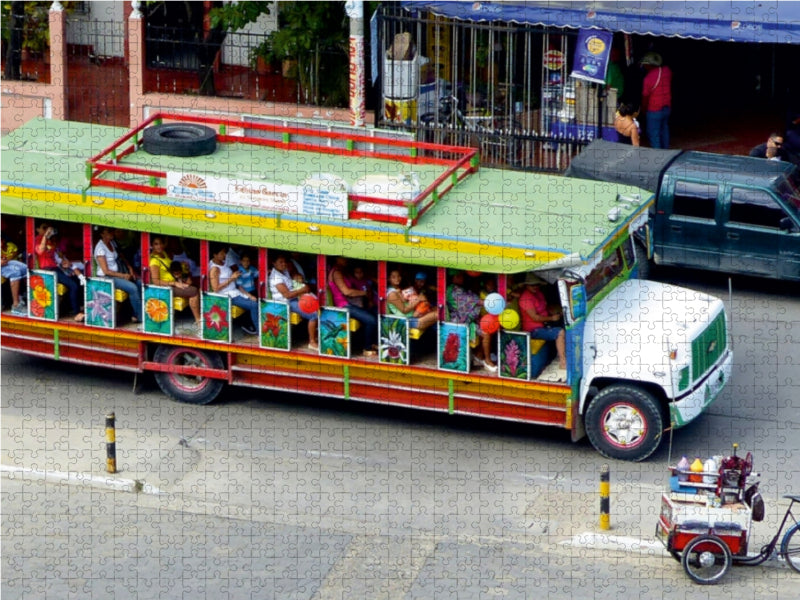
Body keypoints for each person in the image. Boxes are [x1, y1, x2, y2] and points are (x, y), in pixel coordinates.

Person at [517, 273, 567, 382]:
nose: (535, 287)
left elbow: (545, 308)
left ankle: (560, 354)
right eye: (532, 285)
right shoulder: (525, 299)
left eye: (537, 285)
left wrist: (557, 312)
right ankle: (563, 362)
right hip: (534, 330)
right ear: (527, 285)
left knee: (565, 323)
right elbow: (535, 317)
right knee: (560, 332)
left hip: (545, 323)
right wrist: (551, 318)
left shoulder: (538, 293)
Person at [445, 270, 496, 371]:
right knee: (486, 333)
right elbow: (472, 300)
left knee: (488, 328)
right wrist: (490, 302)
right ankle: (487, 360)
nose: (462, 278)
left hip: (464, 320)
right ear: (453, 278)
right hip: (460, 323)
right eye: (459, 276)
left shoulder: (454, 288)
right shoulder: (455, 290)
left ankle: (479, 355)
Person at [148, 235, 202, 326]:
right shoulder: (154, 261)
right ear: (152, 246)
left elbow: (170, 268)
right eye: (156, 244)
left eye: (161, 243)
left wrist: (182, 269)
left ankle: (199, 314)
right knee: (194, 291)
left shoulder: (163, 254)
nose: (159, 246)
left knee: (197, 285)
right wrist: (175, 283)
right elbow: (156, 282)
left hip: (176, 281)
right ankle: (198, 320)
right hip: (166, 287)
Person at [328, 256, 378, 356]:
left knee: (376, 311)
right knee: (371, 320)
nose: (346, 259)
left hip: (351, 303)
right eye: (342, 257)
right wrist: (364, 293)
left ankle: (373, 343)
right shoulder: (336, 273)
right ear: (336, 258)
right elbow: (346, 292)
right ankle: (366, 348)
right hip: (343, 306)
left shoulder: (343, 271)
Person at [34, 222, 84, 321]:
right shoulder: (37, 239)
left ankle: (73, 307)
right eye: (44, 228)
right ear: (37, 229)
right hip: (48, 270)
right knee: (73, 285)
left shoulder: (51, 241)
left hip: (57, 268)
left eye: (48, 228)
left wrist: (64, 262)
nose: (46, 230)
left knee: (77, 280)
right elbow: (40, 250)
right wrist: (45, 236)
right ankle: (76, 313)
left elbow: (58, 255)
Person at [269, 254, 319, 349]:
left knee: (316, 304)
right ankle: (312, 342)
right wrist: (302, 290)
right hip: (286, 303)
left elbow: (292, 284)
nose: (284, 264)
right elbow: (287, 295)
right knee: (313, 314)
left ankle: (315, 334)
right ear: (274, 263)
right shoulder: (275, 278)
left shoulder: (284, 271)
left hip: (294, 298)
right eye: (280, 262)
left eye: (284, 262)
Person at [94, 226, 142, 323]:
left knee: (140, 283)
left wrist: (129, 267)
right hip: (107, 278)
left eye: (111, 231)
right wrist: (123, 276)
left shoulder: (112, 242)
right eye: (108, 232)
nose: (111, 233)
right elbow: (106, 271)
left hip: (117, 273)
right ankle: (141, 317)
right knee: (132, 288)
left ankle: (135, 313)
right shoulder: (100, 249)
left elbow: (120, 255)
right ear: (102, 234)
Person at [209, 245, 259, 336]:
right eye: (222, 253)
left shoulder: (223, 262)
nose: (224, 255)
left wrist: (248, 294)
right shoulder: (214, 269)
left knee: (256, 299)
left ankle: (250, 325)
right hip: (227, 295)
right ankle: (258, 331)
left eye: (224, 252)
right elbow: (215, 288)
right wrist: (232, 278)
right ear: (215, 255)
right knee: (254, 305)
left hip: (234, 291)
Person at [385, 269, 437, 334]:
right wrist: (418, 299)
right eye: (393, 277)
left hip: (413, 315)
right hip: (407, 321)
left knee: (436, 309)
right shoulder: (392, 294)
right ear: (389, 279)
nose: (397, 279)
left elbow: (406, 301)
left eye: (398, 276)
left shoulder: (397, 290)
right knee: (439, 314)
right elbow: (404, 310)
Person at [640, 51, 672, 149]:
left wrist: (643, 109)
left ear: (649, 65)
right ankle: (666, 151)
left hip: (654, 109)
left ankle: (658, 156)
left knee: (654, 134)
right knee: (664, 130)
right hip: (667, 107)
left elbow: (645, 97)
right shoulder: (667, 71)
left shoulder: (648, 78)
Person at [1, 233, 28, 314]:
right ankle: (16, 305)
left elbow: (13, 255)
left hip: (9, 264)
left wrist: (4, 260)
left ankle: (23, 296)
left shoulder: (10, 245)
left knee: (25, 268)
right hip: (4, 267)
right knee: (15, 272)